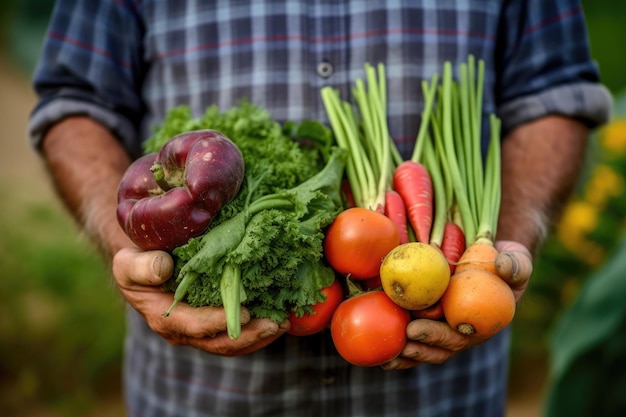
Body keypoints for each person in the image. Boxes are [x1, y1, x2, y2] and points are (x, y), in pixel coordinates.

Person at [29, 1, 611, 416]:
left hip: (443, 395)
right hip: (201, 397)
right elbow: (78, 99)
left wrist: (493, 249)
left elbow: (554, 93)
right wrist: (126, 245)